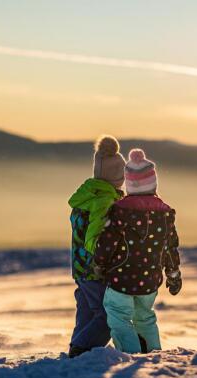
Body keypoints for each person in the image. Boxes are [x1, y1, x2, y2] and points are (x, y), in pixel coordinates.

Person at [94, 148, 182, 353]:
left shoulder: (120, 211)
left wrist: (99, 264)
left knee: (119, 317)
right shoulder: (165, 213)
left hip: (120, 278)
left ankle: (130, 355)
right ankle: (152, 353)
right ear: (153, 183)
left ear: (129, 184)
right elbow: (170, 247)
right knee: (145, 317)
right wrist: (173, 273)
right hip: (149, 279)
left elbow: (108, 242)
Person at [68, 135, 125, 358]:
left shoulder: (88, 195)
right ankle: (82, 348)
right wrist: (100, 262)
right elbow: (95, 236)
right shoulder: (104, 199)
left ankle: (78, 347)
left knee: (86, 311)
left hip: (80, 267)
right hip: (93, 268)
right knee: (109, 314)